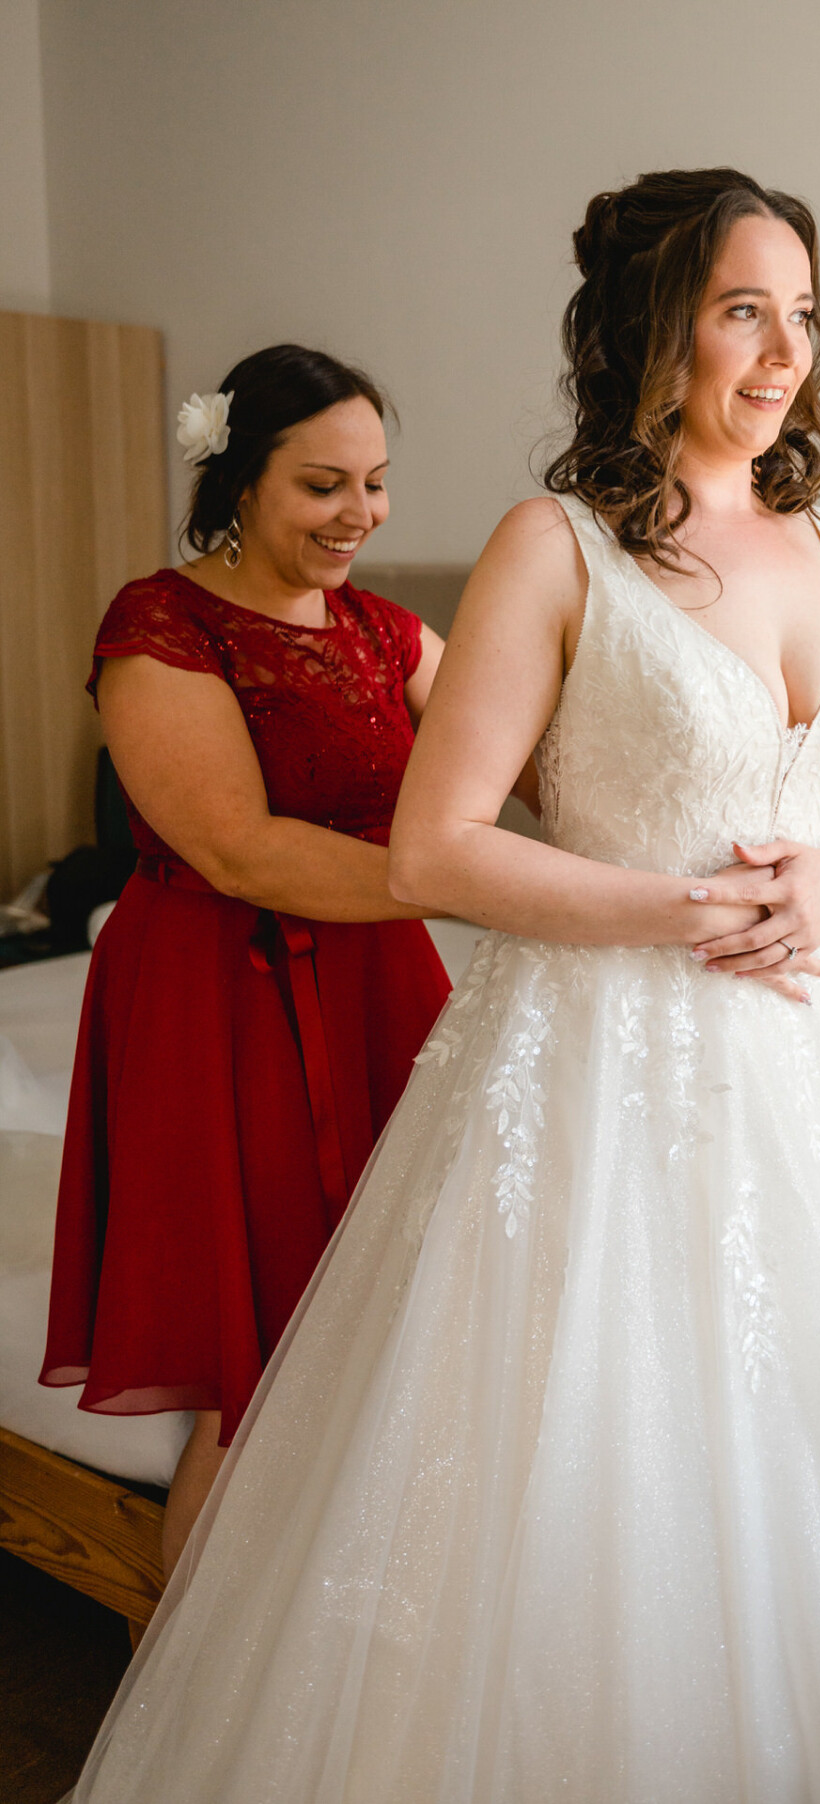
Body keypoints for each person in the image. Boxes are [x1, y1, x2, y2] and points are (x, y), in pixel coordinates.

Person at [69, 174, 820, 1803]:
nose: (788, 345)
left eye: (803, 308)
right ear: (651, 327)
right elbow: (438, 849)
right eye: (745, 305)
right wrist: (680, 905)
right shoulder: (555, 545)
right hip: (604, 1058)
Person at [40, 344, 459, 1574]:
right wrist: (487, 889)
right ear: (235, 481)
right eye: (324, 486)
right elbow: (239, 852)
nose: (361, 516)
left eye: (377, 484)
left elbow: (541, 755)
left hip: (383, 989)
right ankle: (197, 1712)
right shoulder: (159, 623)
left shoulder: (387, 633)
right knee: (264, 1359)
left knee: (401, 1318)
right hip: (221, 997)